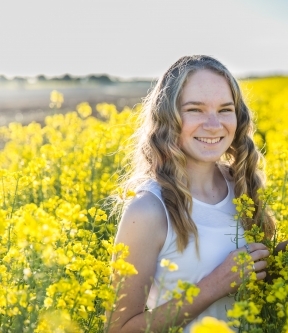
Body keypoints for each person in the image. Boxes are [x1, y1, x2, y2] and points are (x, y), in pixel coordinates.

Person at [108, 55, 275, 333]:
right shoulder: (148, 209)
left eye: (225, 109)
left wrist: (284, 258)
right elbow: (119, 329)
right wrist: (216, 284)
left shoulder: (242, 186)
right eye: (195, 110)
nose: (213, 124)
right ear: (168, 118)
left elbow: (251, 283)